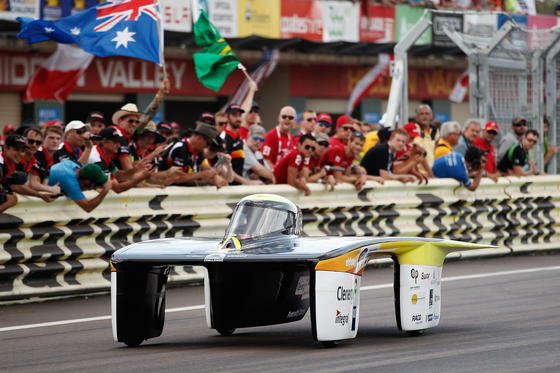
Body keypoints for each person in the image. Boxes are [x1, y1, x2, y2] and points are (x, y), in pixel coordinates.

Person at [88, 127, 153, 193]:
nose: (119, 145)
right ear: (104, 142)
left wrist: (136, 169)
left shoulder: (103, 153)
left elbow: (118, 175)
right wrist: (139, 178)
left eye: (119, 142)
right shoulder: (96, 159)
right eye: (115, 142)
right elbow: (117, 189)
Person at [164, 122, 227, 187]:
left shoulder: (198, 151)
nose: (207, 147)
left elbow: (207, 168)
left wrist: (215, 177)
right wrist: (201, 175)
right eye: (208, 143)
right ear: (199, 138)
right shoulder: (180, 148)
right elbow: (177, 178)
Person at [220, 104, 246, 182]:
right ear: (227, 117)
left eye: (240, 115)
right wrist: (245, 181)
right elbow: (223, 167)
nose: (238, 118)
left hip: (238, 185)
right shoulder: (223, 137)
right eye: (234, 115)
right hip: (228, 185)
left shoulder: (239, 136)